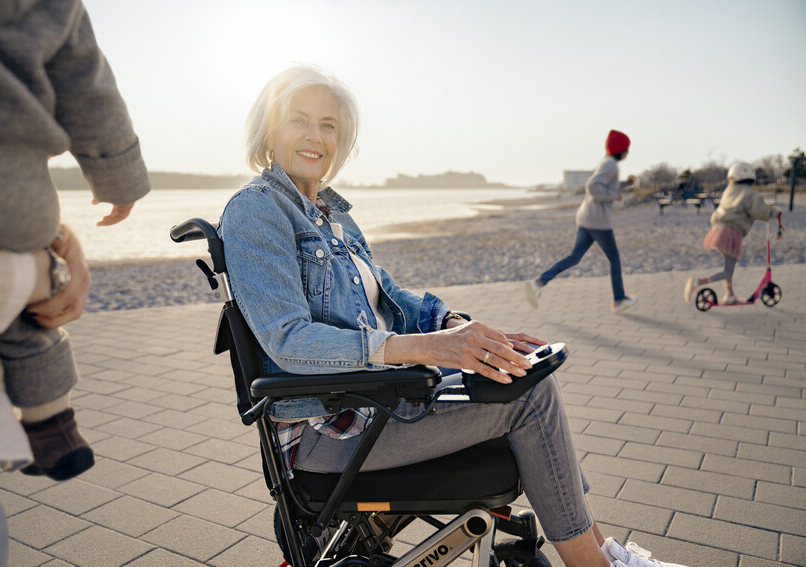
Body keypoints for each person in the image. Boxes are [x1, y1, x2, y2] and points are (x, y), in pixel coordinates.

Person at [218, 65, 688, 567]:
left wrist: (457, 330)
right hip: (331, 427)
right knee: (529, 398)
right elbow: (288, 340)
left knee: (517, 372)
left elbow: (393, 299)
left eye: (329, 125)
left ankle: (606, 551)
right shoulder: (257, 210)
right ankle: (598, 564)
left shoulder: (333, 216)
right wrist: (425, 349)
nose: (315, 136)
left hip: (378, 399)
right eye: (299, 120)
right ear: (270, 129)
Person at [0, 0, 151, 484]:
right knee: (32, 321)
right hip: (20, 199)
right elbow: (89, 89)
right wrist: (120, 181)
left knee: (23, 304)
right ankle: (54, 428)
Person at [524, 130, 638, 313]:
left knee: (575, 257)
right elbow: (592, 186)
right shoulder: (611, 165)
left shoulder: (606, 162)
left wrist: (625, 184)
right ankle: (619, 301)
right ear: (621, 150)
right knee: (615, 260)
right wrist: (614, 195)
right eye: (627, 148)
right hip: (598, 222)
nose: (628, 152)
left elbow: (604, 184)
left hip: (586, 219)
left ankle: (538, 282)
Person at [684, 162, 780, 304]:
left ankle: (729, 295)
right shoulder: (750, 194)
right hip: (731, 233)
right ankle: (698, 282)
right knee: (728, 271)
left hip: (718, 229)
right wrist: (774, 212)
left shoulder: (729, 191)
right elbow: (760, 212)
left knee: (729, 265)